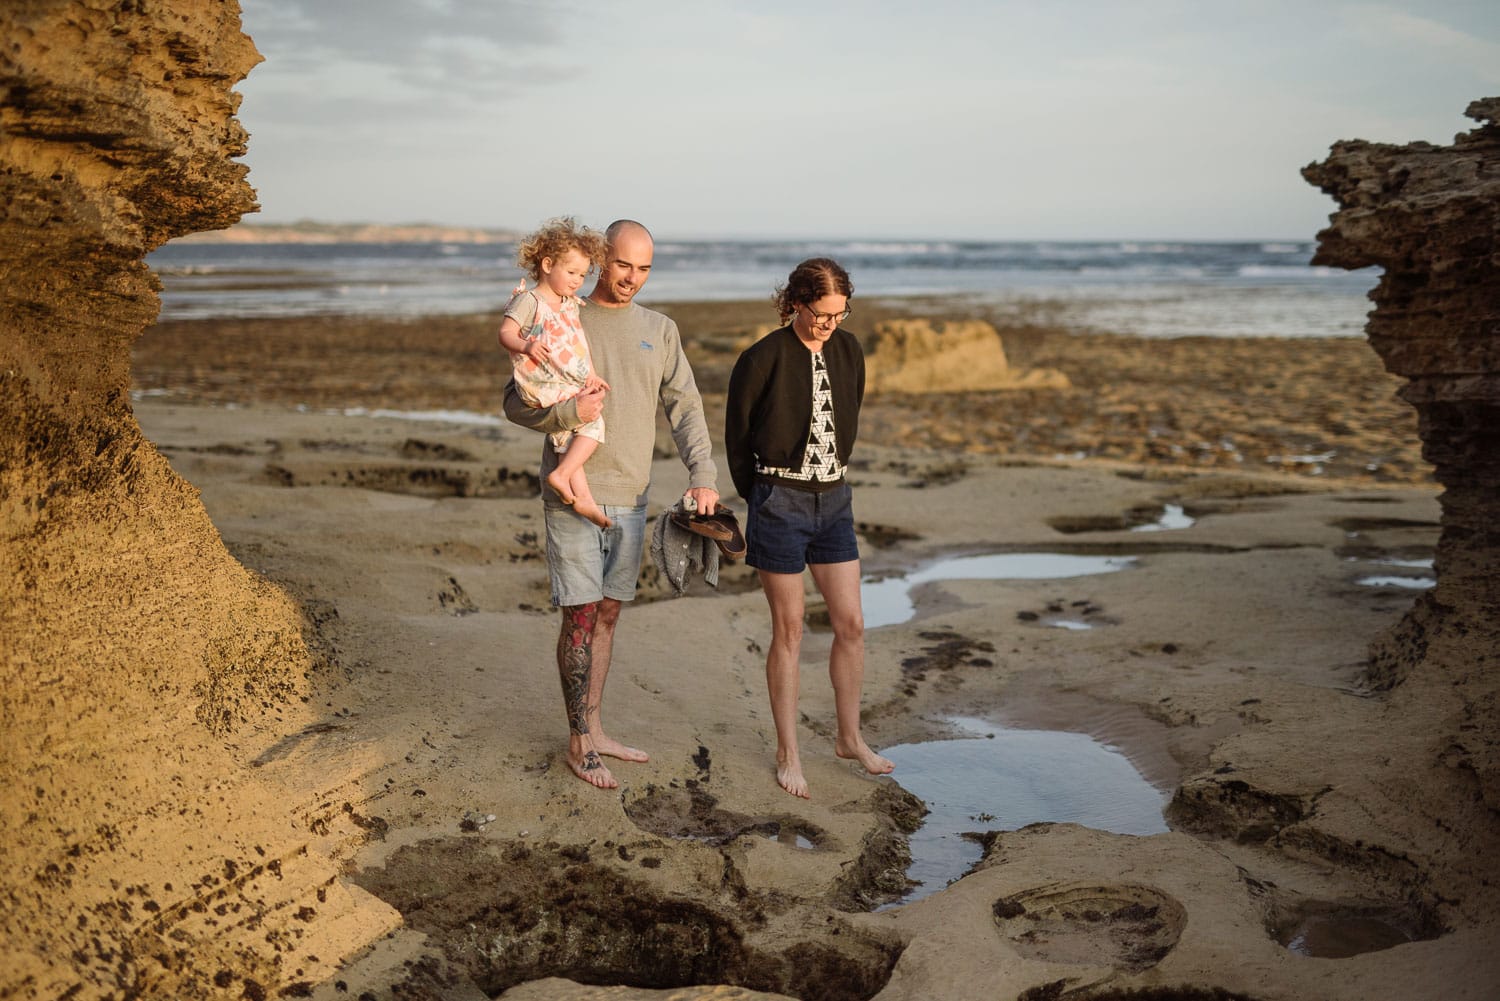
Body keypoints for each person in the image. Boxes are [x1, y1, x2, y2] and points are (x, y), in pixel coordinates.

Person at [504, 219, 720, 789]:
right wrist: (572, 417)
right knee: (578, 614)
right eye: (624, 265)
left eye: (645, 268)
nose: (633, 278)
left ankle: (594, 729)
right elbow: (516, 402)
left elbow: (686, 408)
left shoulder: (660, 329)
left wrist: (703, 474)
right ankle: (579, 744)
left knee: (606, 613)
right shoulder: (564, 313)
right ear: (601, 259)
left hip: (631, 494)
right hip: (572, 493)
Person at [724, 257, 894, 799]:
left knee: (853, 624)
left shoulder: (849, 350)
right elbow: (737, 438)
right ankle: (788, 753)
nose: (829, 325)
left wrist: (831, 472)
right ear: (795, 303)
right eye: (821, 314)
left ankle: (849, 738)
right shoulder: (761, 358)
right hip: (780, 500)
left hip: (835, 500)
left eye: (839, 315)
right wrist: (762, 498)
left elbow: (852, 410)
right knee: (791, 631)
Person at [497, 217, 612, 528]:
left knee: (568, 433)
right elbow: (505, 333)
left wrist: (589, 374)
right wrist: (526, 346)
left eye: (582, 275)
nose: (578, 281)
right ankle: (562, 475)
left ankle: (581, 496)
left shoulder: (566, 303)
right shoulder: (530, 300)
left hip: (559, 380)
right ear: (547, 264)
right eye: (571, 272)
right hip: (539, 382)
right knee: (591, 421)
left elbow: (576, 343)